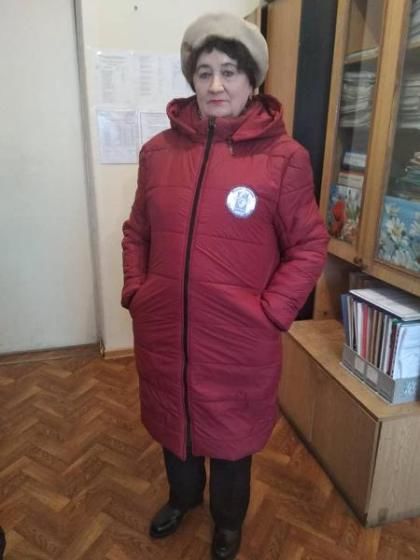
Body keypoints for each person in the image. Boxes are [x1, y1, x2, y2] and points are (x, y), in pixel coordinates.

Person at [121, 11, 329, 560]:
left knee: (233, 444)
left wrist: (272, 311)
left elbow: (309, 244)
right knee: (175, 428)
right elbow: (137, 232)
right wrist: (137, 292)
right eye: (205, 71)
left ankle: (228, 525)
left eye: (230, 72)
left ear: (251, 80)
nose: (216, 85)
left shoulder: (284, 159)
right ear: (192, 78)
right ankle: (182, 499)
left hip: (240, 339)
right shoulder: (157, 153)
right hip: (164, 331)